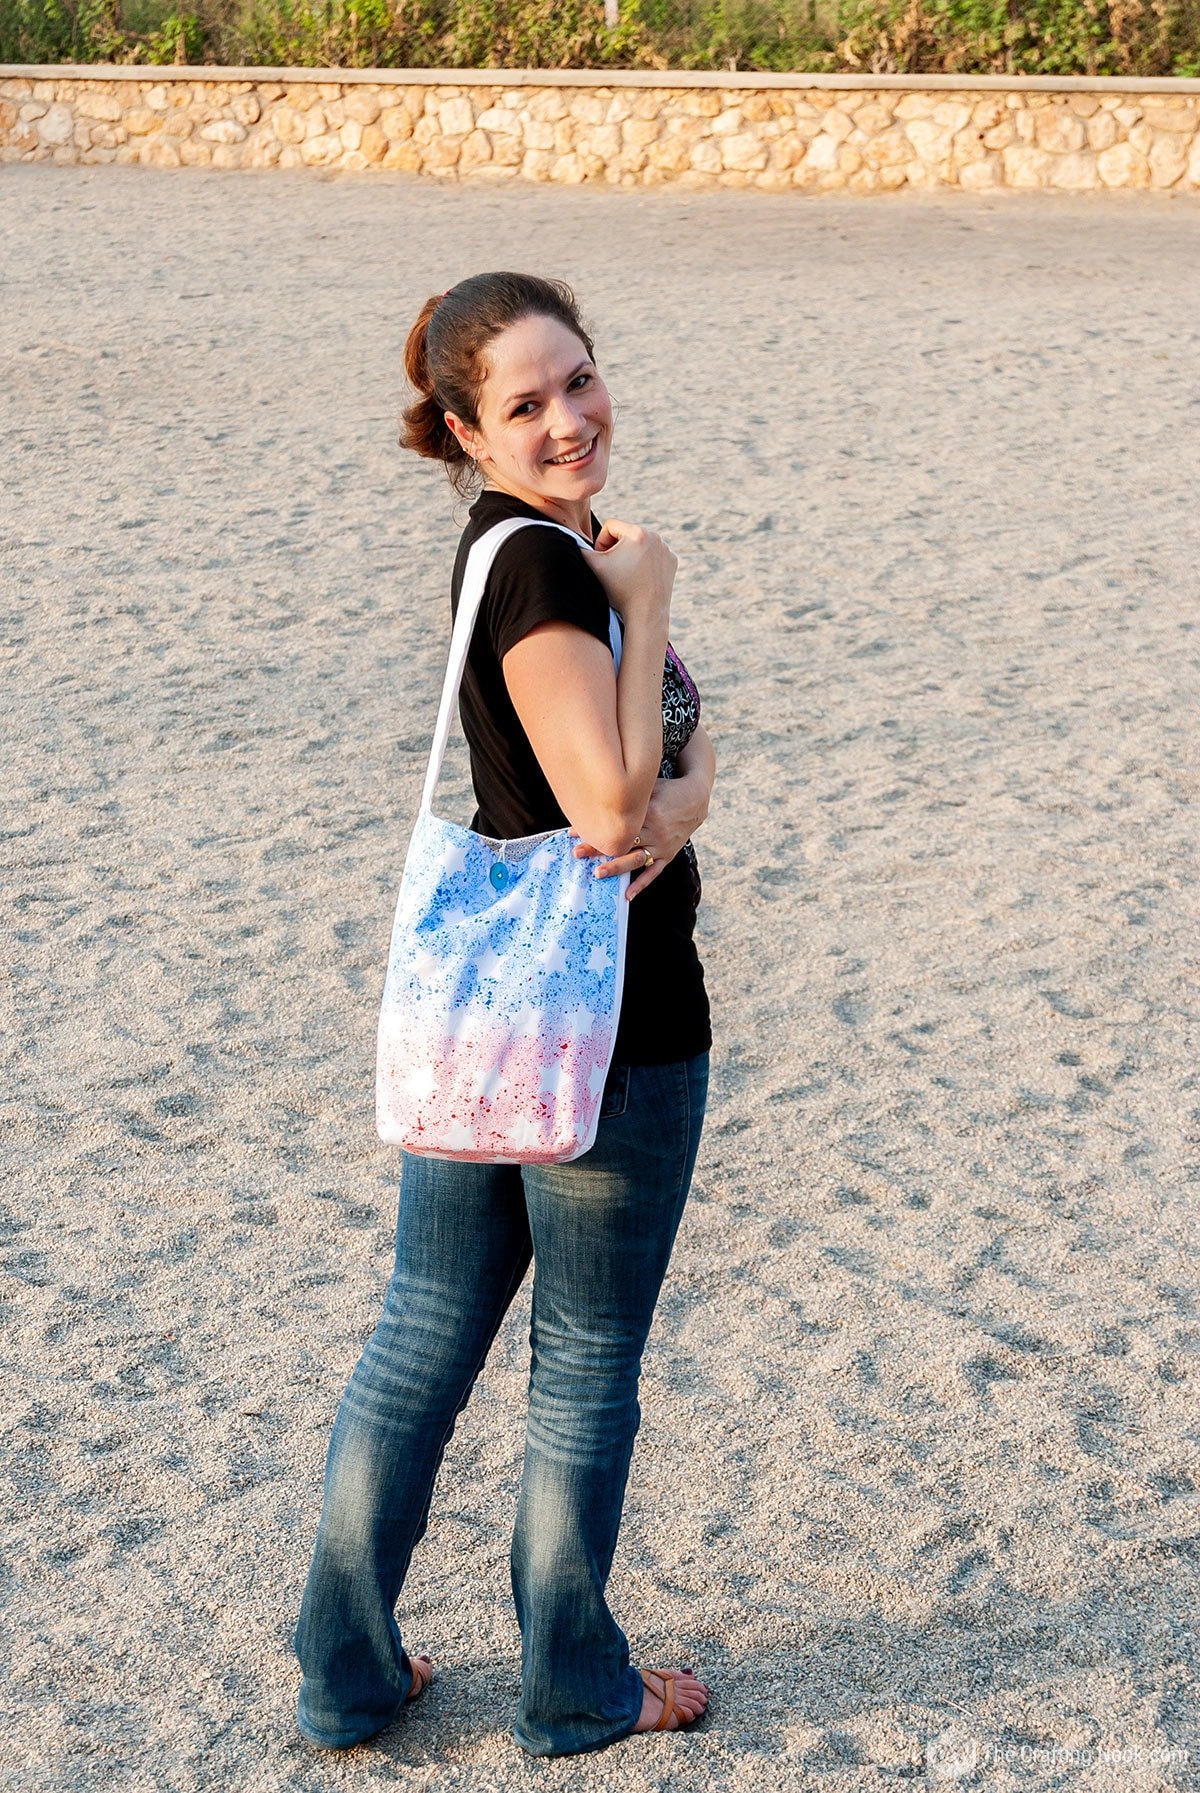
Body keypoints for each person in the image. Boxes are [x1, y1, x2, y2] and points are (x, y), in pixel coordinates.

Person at [293, 271, 716, 1759]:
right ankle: (574, 1685)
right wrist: (649, 594)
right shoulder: (551, 571)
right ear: (465, 430)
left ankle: (346, 1669)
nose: (568, 418)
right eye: (525, 404)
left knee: (423, 1331)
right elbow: (615, 804)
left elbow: (689, 750)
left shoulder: (544, 551)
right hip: (604, 1027)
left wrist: (682, 788)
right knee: (583, 1355)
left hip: (497, 1024)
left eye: (580, 380)